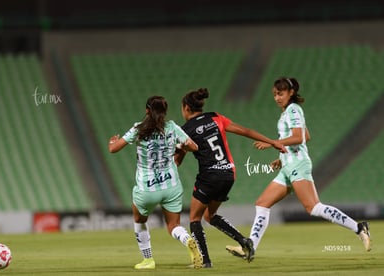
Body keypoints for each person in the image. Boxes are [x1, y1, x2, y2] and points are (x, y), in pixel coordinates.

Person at [226, 77, 372, 261]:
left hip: (298, 165)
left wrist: (273, 143)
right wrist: (281, 157)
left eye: (281, 93)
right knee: (262, 203)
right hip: (288, 165)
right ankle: (250, 247)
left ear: (291, 92)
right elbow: (307, 135)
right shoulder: (287, 112)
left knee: (313, 207)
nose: (277, 98)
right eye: (275, 94)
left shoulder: (294, 109)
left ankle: (359, 228)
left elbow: (299, 137)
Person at [174, 88, 286, 267]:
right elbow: (245, 131)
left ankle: (205, 261)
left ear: (186, 108)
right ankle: (244, 241)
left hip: (209, 176)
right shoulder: (215, 117)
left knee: (195, 219)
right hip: (228, 173)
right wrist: (272, 142)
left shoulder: (185, 130)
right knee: (210, 216)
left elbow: (177, 161)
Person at [108, 95, 203, 270]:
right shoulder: (172, 127)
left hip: (147, 187)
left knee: (139, 220)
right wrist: (181, 147)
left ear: (147, 110)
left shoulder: (139, 128)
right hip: (171, 185)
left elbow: (114, 149)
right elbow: (194, 147)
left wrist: (112, 141)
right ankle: (187, 239)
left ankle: (148, 260)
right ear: (165, 112)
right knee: (174, 226)